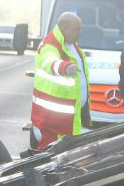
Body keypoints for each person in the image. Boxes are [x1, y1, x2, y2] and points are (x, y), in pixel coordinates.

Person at [31, 11, 91, 150]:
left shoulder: (72, 44)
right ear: (65, 29)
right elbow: (49, 61)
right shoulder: (50, 44)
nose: (81, 32)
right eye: (77, 29)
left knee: (66, 156)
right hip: (53, 120)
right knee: (49, 157)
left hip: (67, 118)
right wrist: (65, 67)